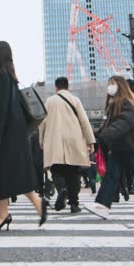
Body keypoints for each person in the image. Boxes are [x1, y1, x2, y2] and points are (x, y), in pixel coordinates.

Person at [0, 41, 48, 231]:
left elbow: (0, 107)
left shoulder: (0, 77)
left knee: (7, 173)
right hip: (11, 135)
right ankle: (4, 214)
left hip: (3, 136)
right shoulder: (8, 76)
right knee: (6, 174)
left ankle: (35, 202)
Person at [84, 76, 134, 220]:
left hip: (131, 146)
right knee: (112, 176)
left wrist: (105, 135)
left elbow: (123, 123)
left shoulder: (126, 103)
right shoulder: (116, 103)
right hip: (122, 146)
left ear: (120, 86)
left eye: (111, 84)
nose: (109, 87)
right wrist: (96, 136)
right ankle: (102, 205)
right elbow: (109, 126)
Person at [39, 77, 95, 214]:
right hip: (74, 139)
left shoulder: (50, 101)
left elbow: (42, 123)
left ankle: (62, 189)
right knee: (74, 172)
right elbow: (84, 120)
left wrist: (41, 141)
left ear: (56, 88)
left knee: (56, 169)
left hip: (55, 139)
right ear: (68, 87)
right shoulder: (75, 100)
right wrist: (90, 140)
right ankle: (74, 204)